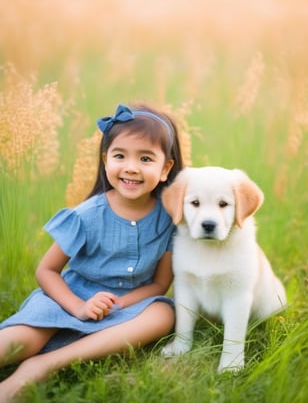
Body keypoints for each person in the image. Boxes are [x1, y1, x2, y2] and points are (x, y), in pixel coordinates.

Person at [0, 102, 184, 402]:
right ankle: (39, 348)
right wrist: (78, 307)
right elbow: (46, 271)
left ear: (165, 169)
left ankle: (45, 365)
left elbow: (159, 285)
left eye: (146, 158)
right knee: (20, 340)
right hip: (67, 301)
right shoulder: (87, 215)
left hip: (126, 307)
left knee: (164, 312)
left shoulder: (169, 219)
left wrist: (117, 304)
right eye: (120, 155)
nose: (131, 167)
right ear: (105, 160)